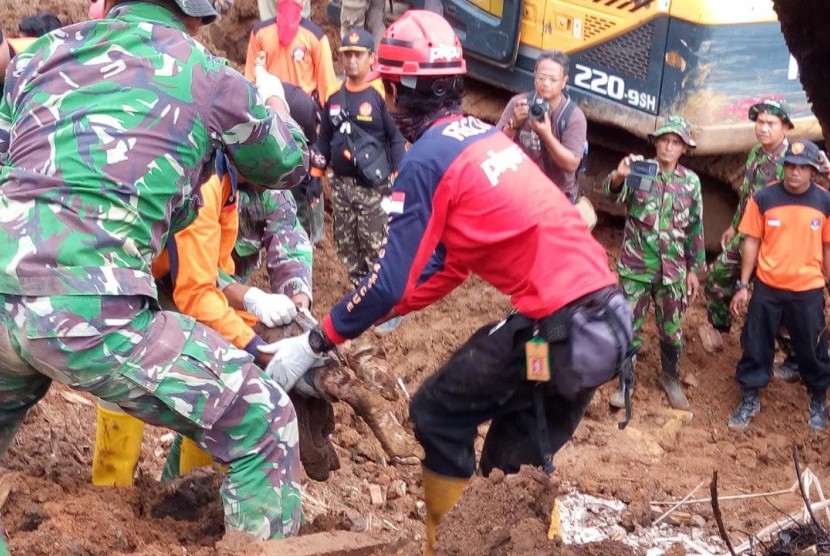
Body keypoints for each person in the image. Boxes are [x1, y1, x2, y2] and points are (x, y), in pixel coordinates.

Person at [256, 11, 634, 554]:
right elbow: (450, 263)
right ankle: (522, 542)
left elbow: (388, 281)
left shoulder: (428, 157)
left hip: (559, 332)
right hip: (595, 329)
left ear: (401, 91)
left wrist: (318, 339)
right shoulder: (478, 137)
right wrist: (396, 308)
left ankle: (448, 546)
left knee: (436, 411)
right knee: (514, 459)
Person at [0, 0, 310, 540]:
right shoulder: (208, 76)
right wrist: (275, 101)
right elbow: (288, 163)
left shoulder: (39, 56)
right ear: (197, 14)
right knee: (264, 422)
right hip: (89, 308)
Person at [727, 139, 830, 432]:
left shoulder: (825, 202)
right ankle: (749, 397)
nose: (795, 173)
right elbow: (752, 242)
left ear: (812, 171)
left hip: (807, 288)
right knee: (756, 343)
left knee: (812, 347)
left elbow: (827, 248)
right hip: (768, 287)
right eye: (790, 166)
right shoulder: (763, 198)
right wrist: (743, 284)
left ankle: (818, 398)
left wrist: (827, 285)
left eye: (802, 168)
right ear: (783, 167)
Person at [603, 116, 705, 410]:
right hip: (637, 266)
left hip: (673, 271)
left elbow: (695, 227)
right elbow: (613, 195)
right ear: (656, 143)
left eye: (675, 142)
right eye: (664, 141)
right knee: (629, 326)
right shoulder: (642, 171)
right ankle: (626, 383)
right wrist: (620, 175)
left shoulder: (690, 182)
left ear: (684, 148)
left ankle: (670, 378)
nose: (668, 147)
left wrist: (694, 269)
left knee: (671, 330)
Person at [704, 99, 802, 380]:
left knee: (775, 300)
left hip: (778, 242)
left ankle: (794, 356)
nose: (763, 128)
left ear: (785, 126)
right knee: (716, 276)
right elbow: (748, 195)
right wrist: (734, 226)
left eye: (770, 123)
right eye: (759, 122)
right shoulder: (756, 154)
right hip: (748, 232)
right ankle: (721, 330)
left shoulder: (792, 162)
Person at [314, 28, 405, 286]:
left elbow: (397, 138)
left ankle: (384, 302)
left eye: (358, 55)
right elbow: (323, 139)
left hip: (374, 190)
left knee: (376, 247)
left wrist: (400, 178)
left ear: (371, 57)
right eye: (347, 55)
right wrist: (315, 176)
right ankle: (359, 292)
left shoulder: (382, 93)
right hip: (342, 187)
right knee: (347, 247)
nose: (352, 61)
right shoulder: (333, 94)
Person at [496, 50, 587, 202]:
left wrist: (546, 135)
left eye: (553, 79)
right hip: (520, 187)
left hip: (556, 194)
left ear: (564, 81)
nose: (546, 83)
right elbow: (493, 146)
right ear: (534, 75)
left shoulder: (573, 116)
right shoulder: (518, 104)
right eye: (542, 77)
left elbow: (571, 164)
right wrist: (514, 124)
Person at [244, 0, 340, 109]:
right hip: (271, 106)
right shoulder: (259, 33)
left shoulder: (316, 36)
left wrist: (328, 118)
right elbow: (250, 80)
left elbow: (328, 87)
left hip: (303, 108)